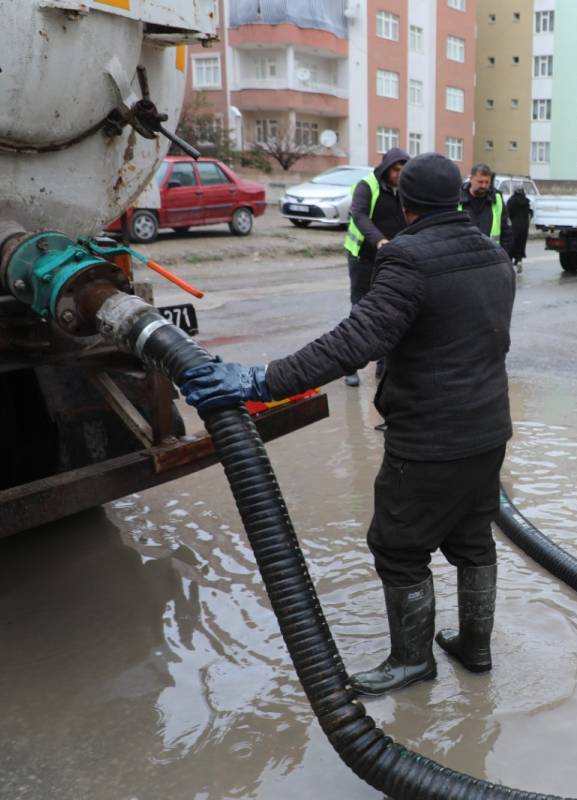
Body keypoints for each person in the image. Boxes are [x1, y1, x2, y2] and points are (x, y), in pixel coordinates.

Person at [178, 153, 516, 695]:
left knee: (398, 546)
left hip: (429, 438)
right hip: (489, 430)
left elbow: (355, 341)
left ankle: (413, 662)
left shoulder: (408, 259)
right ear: (457, 199)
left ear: (406, 208)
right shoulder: (495, 255)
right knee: (473, 538)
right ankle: (475, 649)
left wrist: (263, 380)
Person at [342, 147, 410, 386]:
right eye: (396, 170)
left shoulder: (406, 189)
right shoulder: (367, 185)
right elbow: (359, 216)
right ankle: (350, 366)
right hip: (364, 257)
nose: (399, 175)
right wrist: (379, 240)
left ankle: (384, 364)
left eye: (403, 170)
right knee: (360, 313)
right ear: (386, 167)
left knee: (388, 311)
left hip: (391, 260)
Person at [460, 163, 514, 256]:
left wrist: (503, 258)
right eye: (480, 182)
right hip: (464, 258)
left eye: (487, 182)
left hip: (491, 258)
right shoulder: (457, 198)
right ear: (471, 179)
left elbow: (507, 233)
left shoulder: (497, 199)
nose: (484, 186)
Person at [506, 186, 533, 273]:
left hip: (514, 226)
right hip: (525, 226)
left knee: (512, 244)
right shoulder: (526, 201)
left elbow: (507, 213)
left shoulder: (511, 201)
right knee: (521, 244)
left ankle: (509, 264)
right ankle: (519, 261)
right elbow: (530, 213)